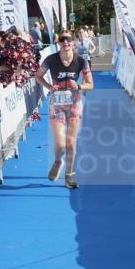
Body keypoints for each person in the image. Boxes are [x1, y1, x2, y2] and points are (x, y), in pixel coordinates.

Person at [35, 30, 94, 190]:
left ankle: (69, 176)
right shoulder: (51, 60)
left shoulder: (81, 60)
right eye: (63, 39)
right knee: (61, 144)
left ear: (73, 43)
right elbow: (38, 76)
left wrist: (80, 86)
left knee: (71, 142)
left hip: (74, 103)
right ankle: (58, 161)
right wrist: (49, 87)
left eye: (69, 39)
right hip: (57, 104)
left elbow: (91, 84)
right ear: (58, 42)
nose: (66, 42)